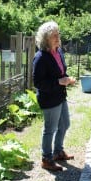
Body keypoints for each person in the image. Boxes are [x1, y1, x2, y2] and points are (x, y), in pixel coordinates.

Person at [32, 20, 76, 171]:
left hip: (60, 96)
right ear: (45, 39)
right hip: (49, 99)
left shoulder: (58, 51)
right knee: (50, 129)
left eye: (58, 34)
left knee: (65, 124)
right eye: (53, 36)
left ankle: (58, 152)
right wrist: (59, 81)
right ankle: (46, 159)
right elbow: (38, 82)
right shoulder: (40, 57)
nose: (57, 37)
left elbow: (61, 72)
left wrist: (67, 79)